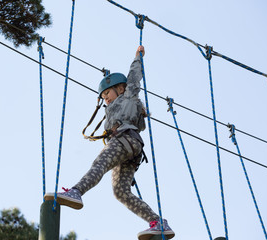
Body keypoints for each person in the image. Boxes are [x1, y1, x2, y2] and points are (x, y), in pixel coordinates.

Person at [44, 46, 175, 240]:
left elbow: (134, 78)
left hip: (126, 140)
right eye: (103, 97)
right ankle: (158, 223)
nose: (105, 98)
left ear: (121, 89)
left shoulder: (129, 96)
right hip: (130, 148)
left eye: (108, 94)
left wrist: (138, 57)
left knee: (100, 162)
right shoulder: (113, 109)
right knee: (121, 191)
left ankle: (76, 191)